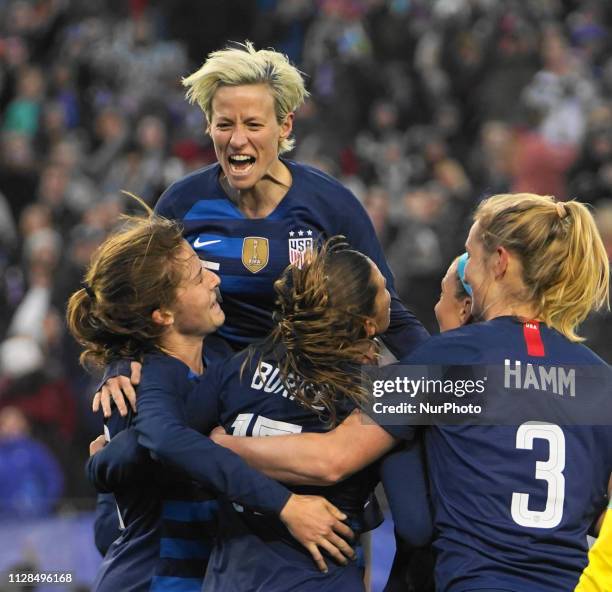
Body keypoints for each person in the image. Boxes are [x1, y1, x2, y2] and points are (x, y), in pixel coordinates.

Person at [210, 193, 612, 591]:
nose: (465, 270)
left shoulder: (448, 362)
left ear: (501, 261)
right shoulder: (600, 382)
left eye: (470, 255)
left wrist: (222, 446)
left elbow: (331, 458)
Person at [95, 40, 428, 418]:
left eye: (253, 124)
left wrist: (453, 389)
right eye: (224, 124)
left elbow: (389, 313)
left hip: (312, 401)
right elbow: (139, 296)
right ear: (208, 125)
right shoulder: (181, 203)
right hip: (214, 399)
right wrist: (118, 362)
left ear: (284, 124)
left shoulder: (331, 204)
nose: (238, 140)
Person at [92, 237, 431, 591]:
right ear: (369, 325)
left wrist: (101, 464)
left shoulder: (240, 367)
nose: (215, 278)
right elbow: (413, 522)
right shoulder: (392, 389)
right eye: (383, 288)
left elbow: (148, 450)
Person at [66, 210, 355, 591]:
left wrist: (105, 465)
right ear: (163, 314)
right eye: (199, 276)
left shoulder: (221, 361)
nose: (216, 279)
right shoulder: (146, 381)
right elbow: (158, 445)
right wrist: (285, 505)